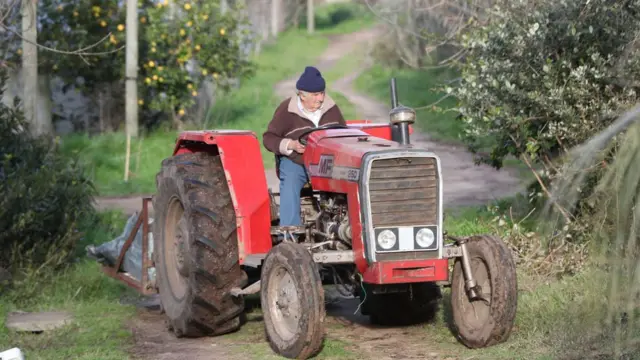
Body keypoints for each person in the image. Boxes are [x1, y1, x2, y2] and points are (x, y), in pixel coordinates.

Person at [263, 66, 346, 227]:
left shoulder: (331, 108)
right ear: (302, 95)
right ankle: (290, 231)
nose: (320, 98)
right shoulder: (287, 110)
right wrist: (290, 144)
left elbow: (343, 133)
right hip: (298, 161)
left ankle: (345, 228)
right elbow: (269, 138)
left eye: (322, 93)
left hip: (327, 162)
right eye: (315, 95)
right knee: (290, 180)